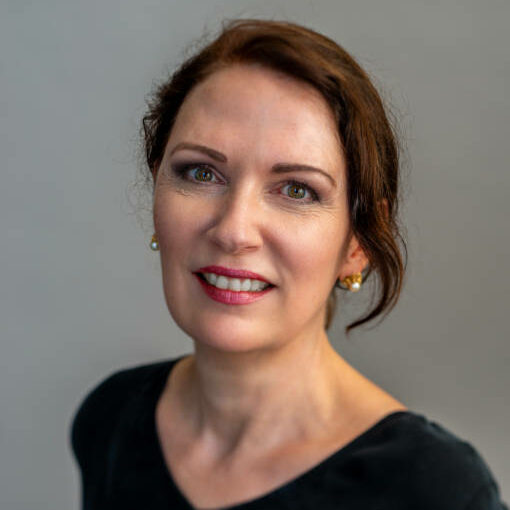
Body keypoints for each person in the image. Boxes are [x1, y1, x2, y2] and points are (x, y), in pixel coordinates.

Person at [70, 19, 508, 510]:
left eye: (297, 189)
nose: (234, 230)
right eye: (200, 172)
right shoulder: (111, 420)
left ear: (358, 242)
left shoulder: (434, 492)